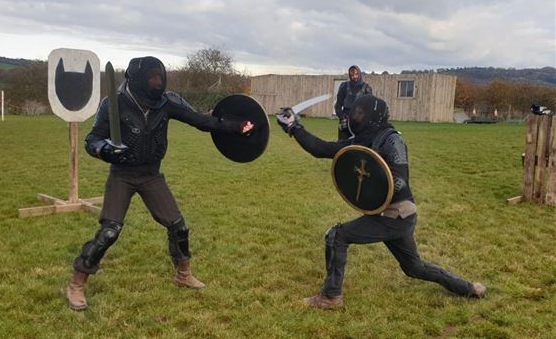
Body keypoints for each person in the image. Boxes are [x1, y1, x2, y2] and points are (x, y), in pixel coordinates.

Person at [66, 56, 253, 311]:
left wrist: (237, 126)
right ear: (138, 79)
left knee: (179, 227)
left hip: (151, 175)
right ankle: (76, 283)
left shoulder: (166, 103)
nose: (157, 82)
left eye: (159, 77)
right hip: (122, 174)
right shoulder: (114, 104)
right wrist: (106, 150)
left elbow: (201, 120)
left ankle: (183, 274)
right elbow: (92, 140)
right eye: (152, 78)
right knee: (110, 231)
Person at [276, 94, 486, 309]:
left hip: (395, 214)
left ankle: (330, 297)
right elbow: (321, 148)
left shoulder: (391, 139)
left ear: (373, 116)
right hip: (389, 215)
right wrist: (294, 127)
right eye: (355, 112)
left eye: (360, 113)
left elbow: (399, 181)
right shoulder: (361, 139)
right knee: (414, 268)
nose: (355, 117)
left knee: (337, 235)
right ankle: (468, 288)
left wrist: (370, 182)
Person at [334, 65, 373, 140]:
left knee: (358, 147)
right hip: (345, 120)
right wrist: (342, 117)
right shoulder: (344, 86)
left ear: (359, 73)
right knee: (342, 145)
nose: (354, 77)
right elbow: (338, 105)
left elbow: (370, 107)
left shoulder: (366, 88)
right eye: (352, 75)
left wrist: (363, 120)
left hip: (359, 121)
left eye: (356, 74)